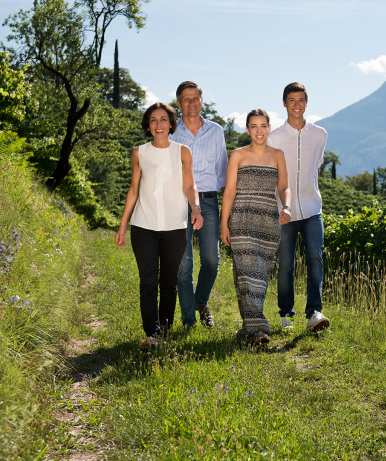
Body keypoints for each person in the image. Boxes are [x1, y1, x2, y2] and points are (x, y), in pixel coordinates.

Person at [115, 103, 203, 347]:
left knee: (169, 281)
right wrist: (123, 225)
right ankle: (152, 334)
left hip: (175, 225)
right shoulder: (139, 153)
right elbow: (133, 190)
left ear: (172, 124)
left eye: (163, 119)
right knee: (148, 280)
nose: (158, 124)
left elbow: (189, 185)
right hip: (144, 225)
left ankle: (164, 330)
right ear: (148, 126)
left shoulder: (182, 151)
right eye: (153, 120)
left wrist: (195, 207)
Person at [220, 109, 291, 344]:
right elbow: (229, 191)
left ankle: (247, 331)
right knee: (250, 273)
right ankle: (260, 329)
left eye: (263, 126)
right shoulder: (238, 155)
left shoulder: (278, 155)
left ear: (269, 128)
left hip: (269, 220)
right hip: (242, 218)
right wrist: (224, 224)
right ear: (248, 129)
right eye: (254, 126)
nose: (259, 131)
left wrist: (287, 206)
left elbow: (283, 188)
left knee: (257, 275)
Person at [268, 82, 330, 332]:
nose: (296, 104)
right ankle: (286, 315)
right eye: (291, 100)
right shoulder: (274, 137)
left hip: (313, 209)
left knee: (315, 258)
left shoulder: (320, 134)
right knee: (286, 264)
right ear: (284, 103)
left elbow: (316, 168)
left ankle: (314, 312)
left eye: (301, 99)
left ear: (306, 103)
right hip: (285, 211)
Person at [169, 81, 228, 328]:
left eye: (195, 98)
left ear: (201, 101)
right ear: (179, 103)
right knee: (183, 265)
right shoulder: (172, 132)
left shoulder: (216, 131)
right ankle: (189, 320)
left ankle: (200, 301)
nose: (191, 103)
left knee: (211, 260)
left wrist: (228, 210)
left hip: (208, 201)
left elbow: (223, 172)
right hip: (178, 201)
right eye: (186, 99)